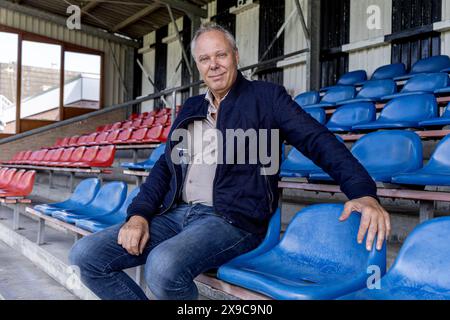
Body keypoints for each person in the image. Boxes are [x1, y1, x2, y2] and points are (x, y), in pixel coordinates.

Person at [69, 22, 390, 300]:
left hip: (232, 219)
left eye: (221, 55)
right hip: (176, 213)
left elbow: (318, 141)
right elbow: (165, 168)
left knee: (163, 266)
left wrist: (361, 191)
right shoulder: (191, 107)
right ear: (198, 65)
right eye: (205, 59)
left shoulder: (267, 98)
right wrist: (138, 215)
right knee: (87, 255)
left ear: (236, 56)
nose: (214, 65)